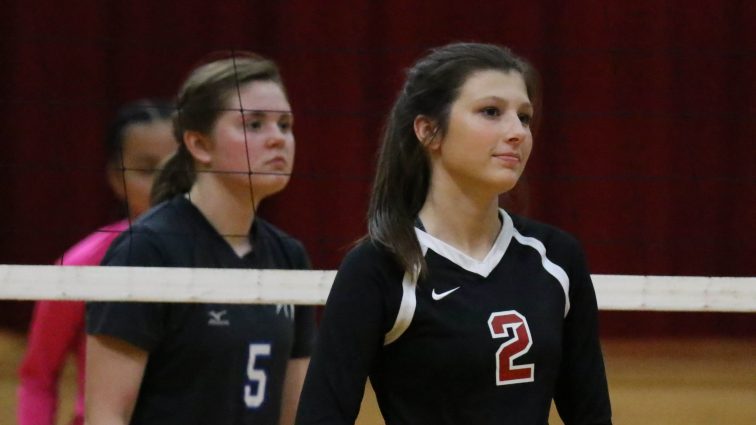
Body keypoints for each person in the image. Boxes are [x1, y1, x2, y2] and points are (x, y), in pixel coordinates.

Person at [296, 42, 612, 424]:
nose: (517, 132)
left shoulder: (556, 258)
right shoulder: (380, 268)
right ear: (429, 131)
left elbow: (591, 414)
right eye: (491, 112)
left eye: (524, 117)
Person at [85, 51, 316, 425]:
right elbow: (106, 414)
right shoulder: (146, 250)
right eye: (254, 124)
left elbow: (297, 414)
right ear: (199, 144)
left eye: (285, 124)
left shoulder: (289, 256)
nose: (278, 139)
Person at [17, 99, 176, 425]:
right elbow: (38, 378)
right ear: (117, 179)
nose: (165, 184)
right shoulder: (82, 265)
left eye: (177, 168)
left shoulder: (224, 258)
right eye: (146, 170)